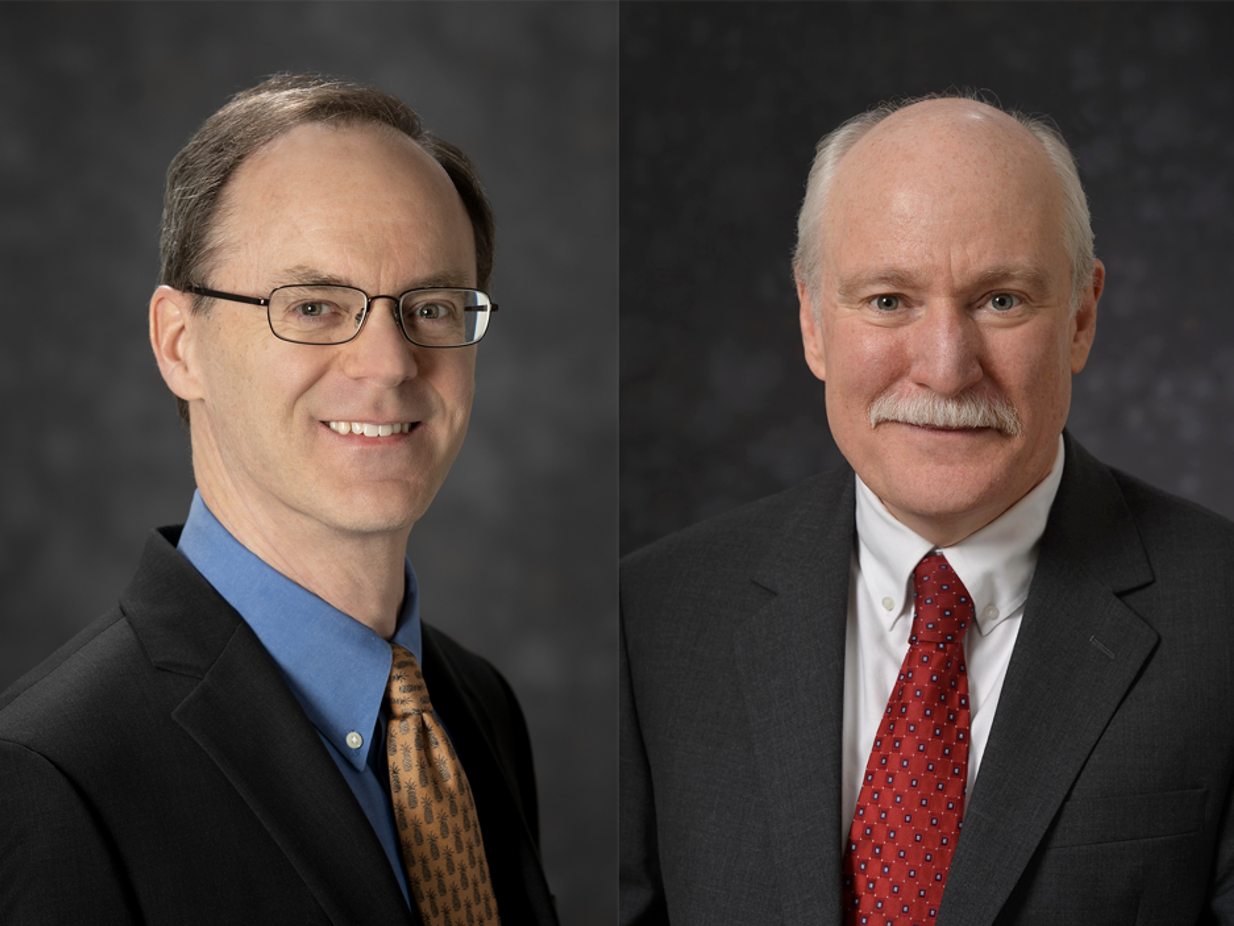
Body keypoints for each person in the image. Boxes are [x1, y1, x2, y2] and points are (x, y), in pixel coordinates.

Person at [620, 94, 1234, 925]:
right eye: (887, 301)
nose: (946, 370)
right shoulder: (652, 616)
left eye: (1003, 300)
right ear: (811, 320)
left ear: (1082, 317)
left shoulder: (1220, 616)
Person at [0, 74, 558, 926]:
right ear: (180, 345)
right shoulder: (49, 777)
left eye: (432, 306)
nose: (390, 364)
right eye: (313, 305)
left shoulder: (475, 706)